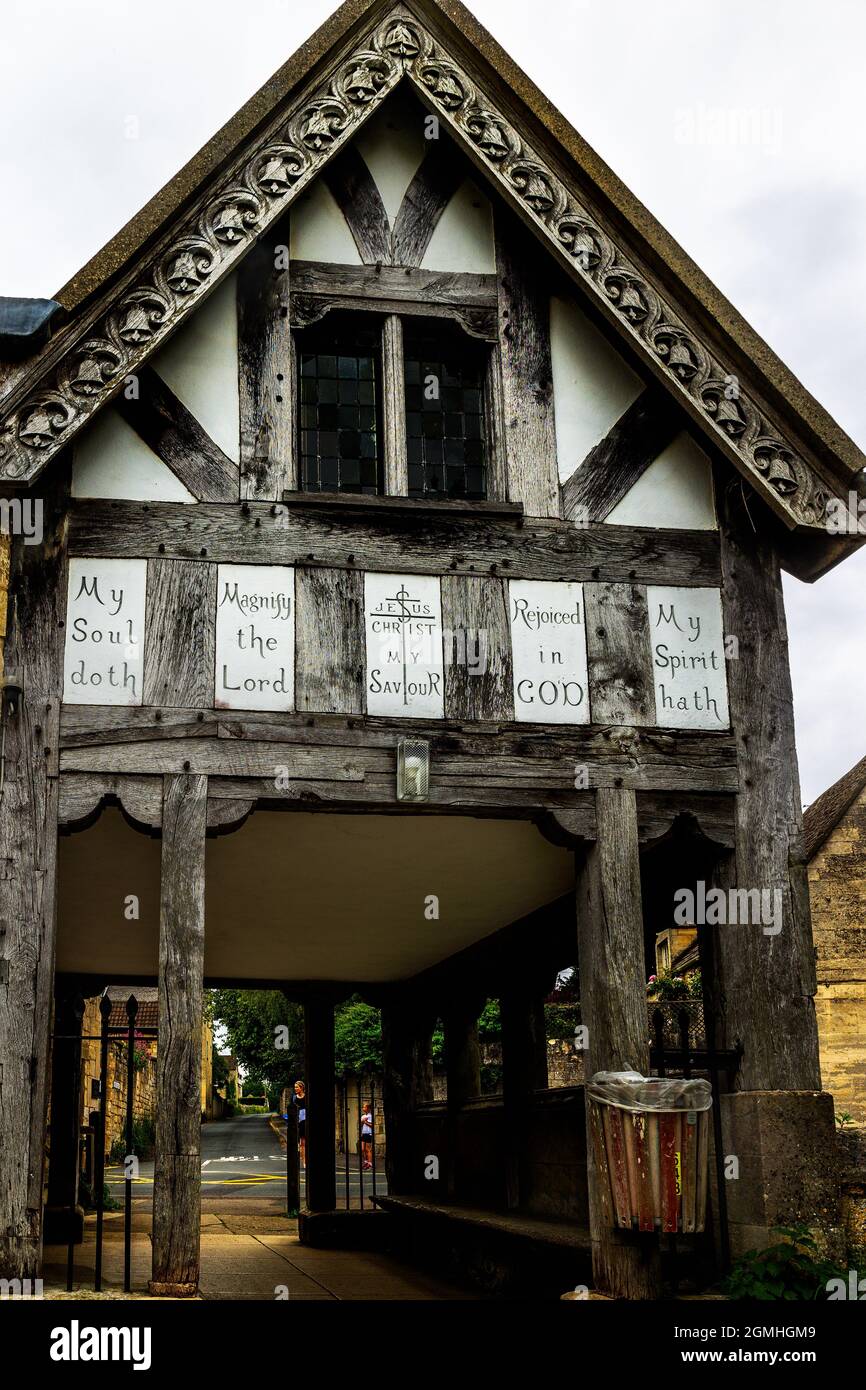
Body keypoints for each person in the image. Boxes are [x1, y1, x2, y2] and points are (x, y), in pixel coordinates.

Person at [292, 1080, 306, 1170]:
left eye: (297, 1087)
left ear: (301, 1088)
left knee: (306, 1143)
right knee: (302, 1143)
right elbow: (292, 1110)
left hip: (307, 1120)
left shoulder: (307, 1096)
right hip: (299, 1121)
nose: (295, 1089)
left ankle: (306, 1160)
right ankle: (304, 1161)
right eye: (295, 1087)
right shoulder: (294, 1098)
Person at [360, 1101, 373, 1170]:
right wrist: (362, 1122)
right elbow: (362, 1125)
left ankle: (370, 1164)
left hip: (369, 1134)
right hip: (364, 1133)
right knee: (362, 1149)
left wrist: (365, 1121)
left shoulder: (370, 1116)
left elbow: (372, 1125)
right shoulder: (364, 1116)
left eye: (364, 1107)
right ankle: (366, 1162)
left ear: (368, 1108)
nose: (363, 1108)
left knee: (368, 1150)